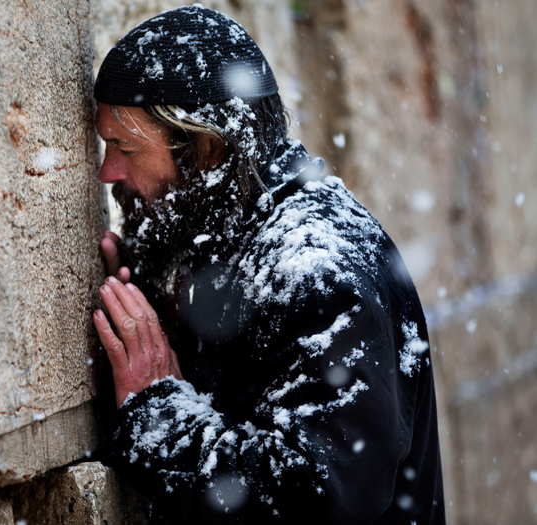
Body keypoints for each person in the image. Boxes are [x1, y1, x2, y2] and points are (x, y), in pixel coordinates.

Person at [91, 5, 445, 524]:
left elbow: (319, 495)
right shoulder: (243, 229)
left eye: (124, 147)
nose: (107, 171)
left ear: (207, 147)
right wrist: (155, 311)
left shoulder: (316, 269)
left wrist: (159, 411)